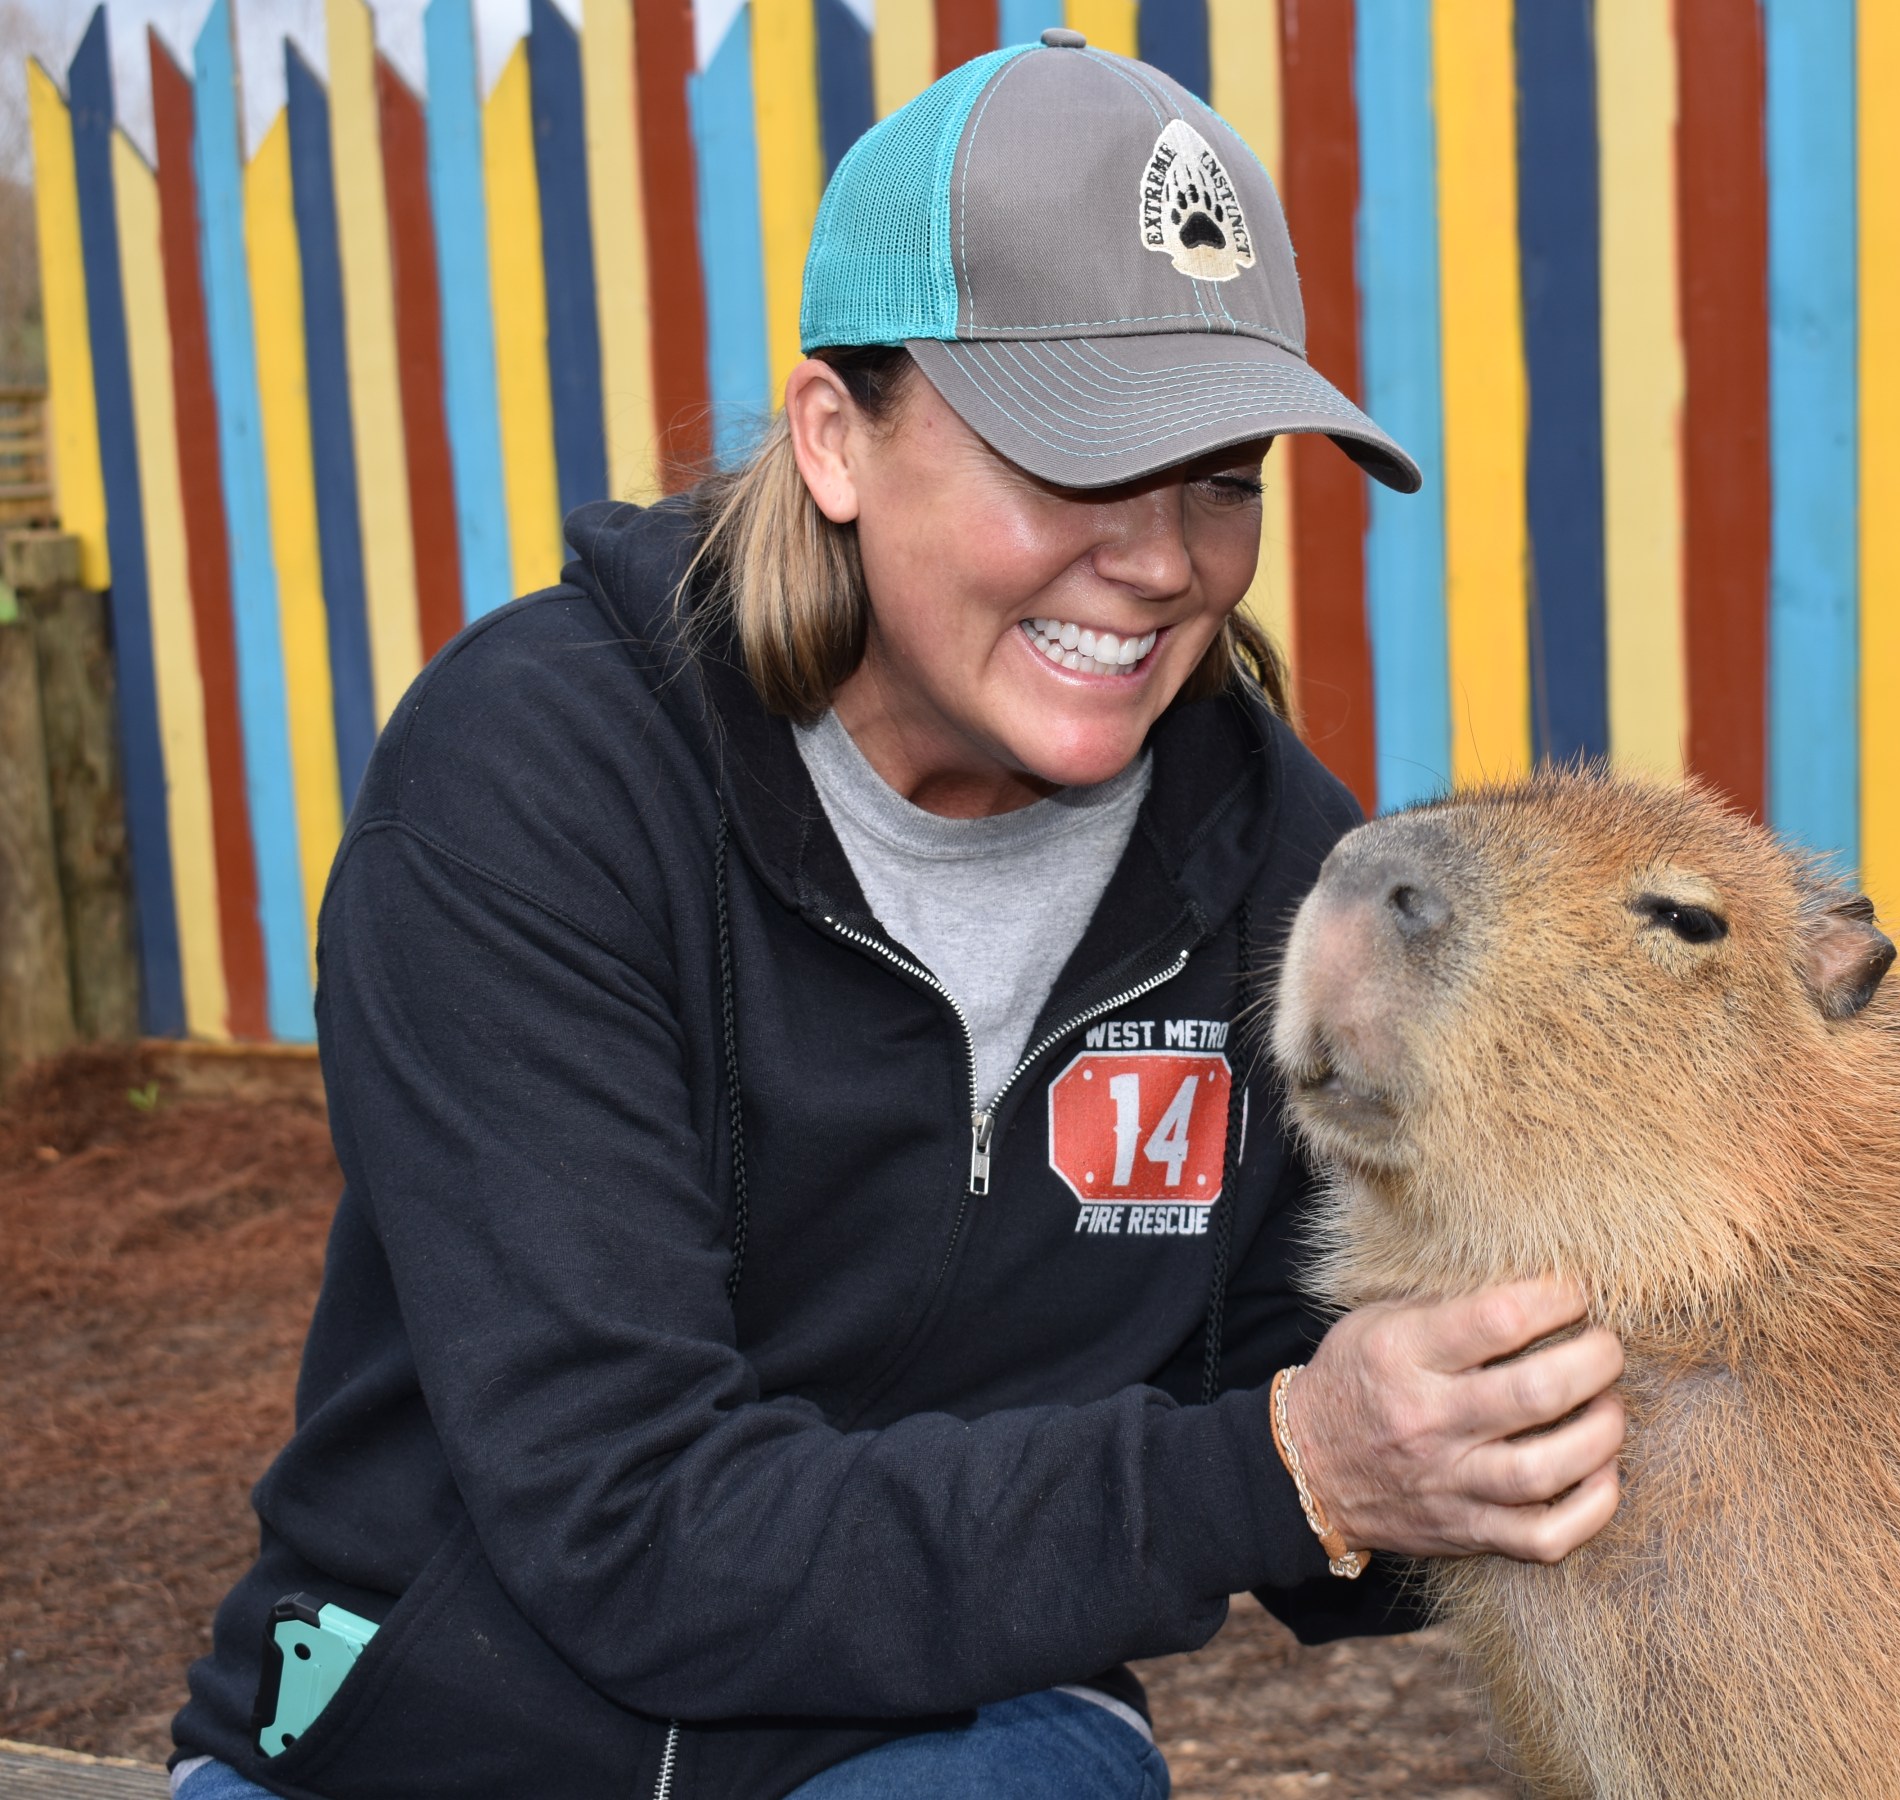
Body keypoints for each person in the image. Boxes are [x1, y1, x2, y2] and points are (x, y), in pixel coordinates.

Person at [169, 34, 1624, 1800]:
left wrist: (1572, 1405)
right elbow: (632, 1524)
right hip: (441, 1737)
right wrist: (1292, 1466)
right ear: (836, 438)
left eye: (1223, 476)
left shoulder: (1268, 873)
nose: (1164, 560)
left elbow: (1325, 1415)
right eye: (1078, 457)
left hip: (945, 1743)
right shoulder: (538, 783)